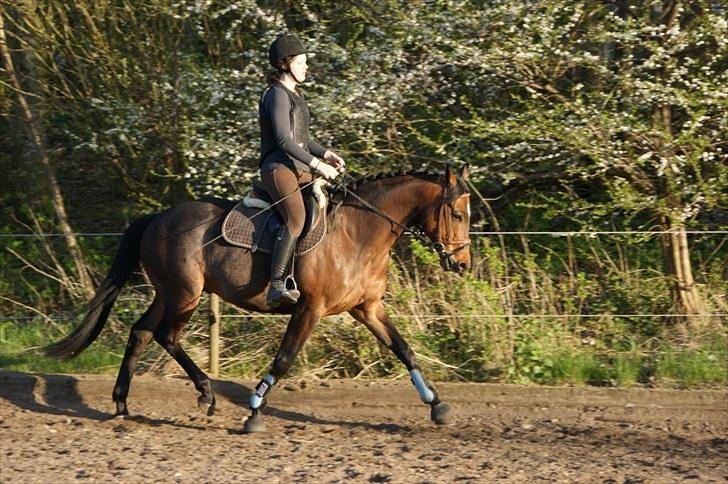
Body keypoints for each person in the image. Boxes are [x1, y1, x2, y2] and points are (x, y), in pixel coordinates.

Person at [259, 34, 345, 307]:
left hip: (298, 167)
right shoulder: (276, 95)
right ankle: (275, 285)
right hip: (278, 168)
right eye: (302, 62)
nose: (306, 67)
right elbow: (284, 140)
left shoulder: (296, 96)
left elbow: (303, 140)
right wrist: (318, 165)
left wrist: (327, 154)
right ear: (285, 64)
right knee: (296, 218)